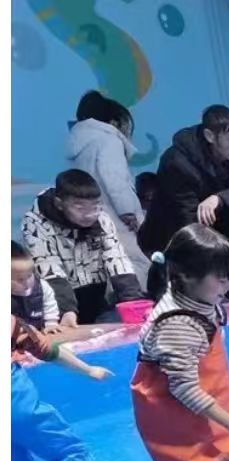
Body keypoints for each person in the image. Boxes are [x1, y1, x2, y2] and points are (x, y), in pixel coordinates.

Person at [131, 225, 229, 461]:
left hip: (203, 398)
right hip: (180, 418)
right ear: (186, 275)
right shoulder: (178, 325)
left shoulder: (197, 297)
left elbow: (211, 361)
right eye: (221, 280)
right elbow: (184, 388)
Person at [138, 105, 229, 284]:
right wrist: (226, 267)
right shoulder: (176, 162)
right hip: (176, 232)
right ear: (210, 136)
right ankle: (223, 281)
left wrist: (218, 199)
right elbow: (187, 220)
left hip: (213, 218)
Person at [12, 242, 112, 461]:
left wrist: (88, 370)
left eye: (28, 276)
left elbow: (50, 351)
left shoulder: (15, 325)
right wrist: (88, 370)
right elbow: (50, 352)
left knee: (21, 460)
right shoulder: (12, 324)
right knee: (63, 452)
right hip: (17, 407)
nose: (26, 283)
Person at [21, 168, 146, 327]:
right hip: (58, 297)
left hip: (95, 291)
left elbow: (116, 258)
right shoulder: (35, 223)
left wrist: (132, 299)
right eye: (80, 208)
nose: (89, 215)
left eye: (95, 206)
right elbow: (48, 267)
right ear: (59, 204)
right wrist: (66, 310)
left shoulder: (101, 218)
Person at [66, 90, 151, 279]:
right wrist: (128, 211)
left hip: (93, 217)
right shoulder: (109, 141)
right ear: (113, 122)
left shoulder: (80, 145)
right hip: (116, 217)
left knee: (109, 267)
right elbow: (114, 178)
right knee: (134, 264)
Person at [11, 240, 60, 333]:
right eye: (20, 279)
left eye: (29, 275)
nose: (27, 282)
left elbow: (50, 304)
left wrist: (51, 323)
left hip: (42, 332)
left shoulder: (42, 286)